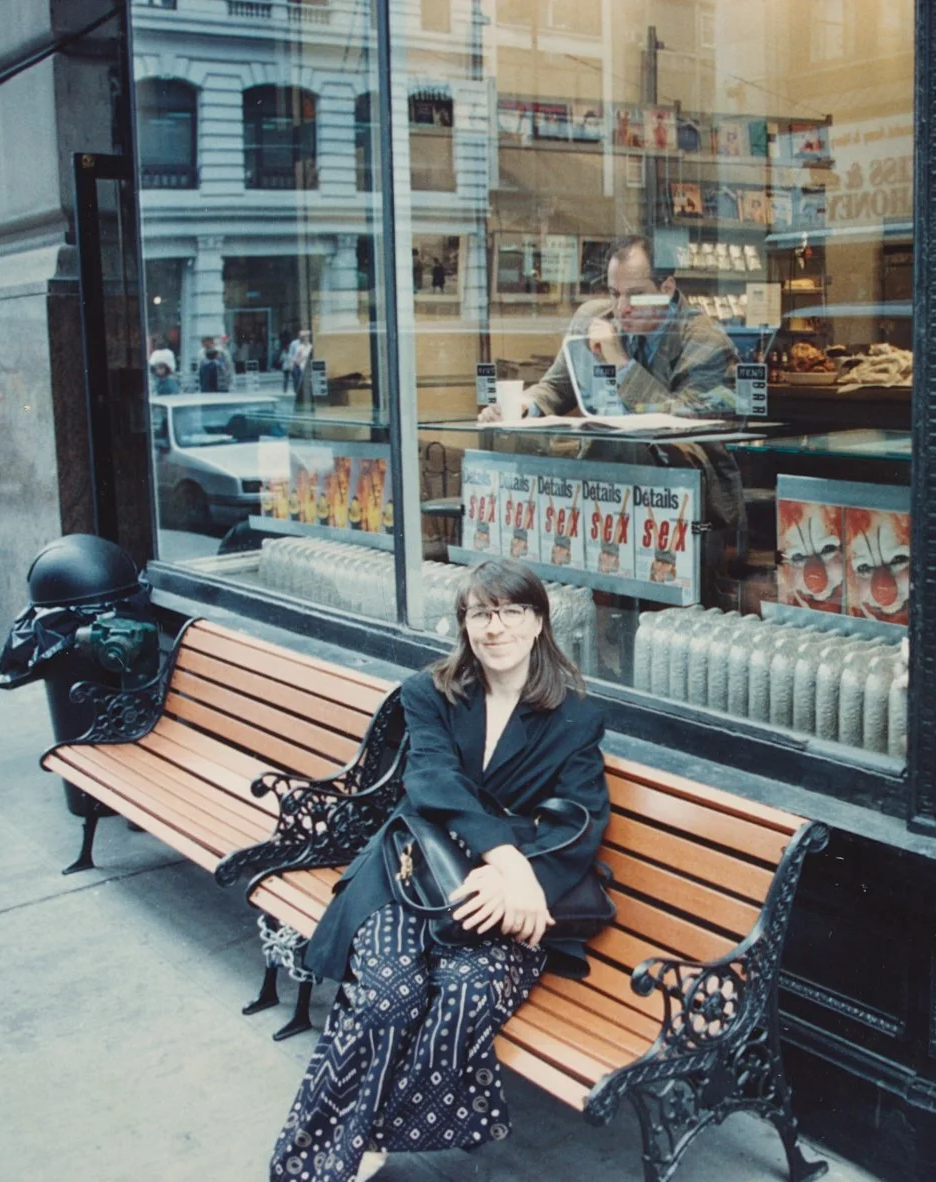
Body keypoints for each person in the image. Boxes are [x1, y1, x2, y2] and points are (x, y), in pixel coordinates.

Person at [273, 558, 608, 1182]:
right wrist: (510, 859)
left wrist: (520, 882)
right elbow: (431, 782)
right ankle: (305, 1165)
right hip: (410, 874)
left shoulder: (575, 717)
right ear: (464, 625)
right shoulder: (428, 692)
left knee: (464, 993)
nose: (495, 627)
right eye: (480, 613)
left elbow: (579, 821)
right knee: (385, 995)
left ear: (537, 622)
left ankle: (368, 1139)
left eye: (510, 612)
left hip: (505, 900)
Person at [477, 234, 744, 565]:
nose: (622, 308)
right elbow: (557, 387)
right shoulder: (594, 319)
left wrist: (621, 363)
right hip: (609, 495)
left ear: (667, 289)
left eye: (635, 295)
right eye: (615, 293)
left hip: (687, 504)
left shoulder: (706, 343)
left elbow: (678, 424)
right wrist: (522, 404)